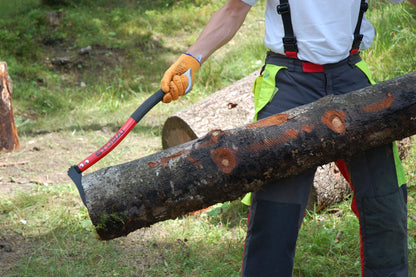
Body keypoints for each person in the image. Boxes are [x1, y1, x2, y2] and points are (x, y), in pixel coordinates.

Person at [160, 0, 416, 276]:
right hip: (290, 82)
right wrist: (192, 59)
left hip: (351, 77)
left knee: (385, 200)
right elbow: (234, 10)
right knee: (276, 213)